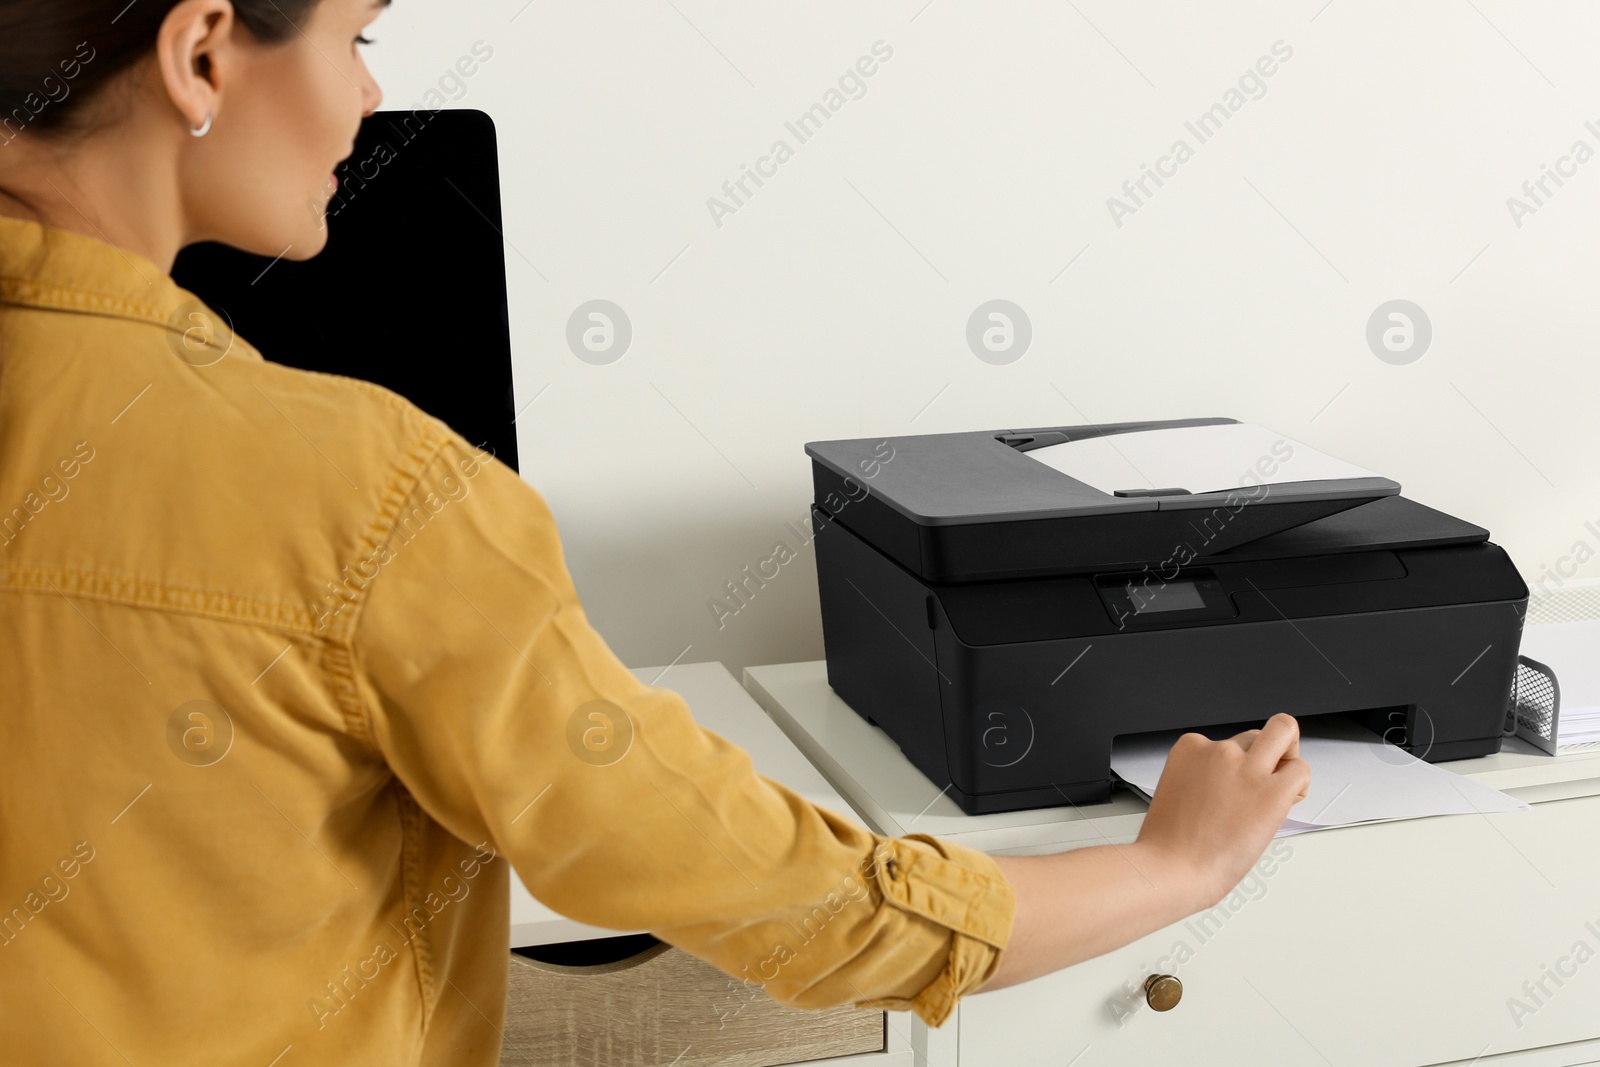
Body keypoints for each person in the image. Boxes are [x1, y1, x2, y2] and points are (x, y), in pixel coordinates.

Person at [0, 2, 1312, 1063]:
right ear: (202, 51)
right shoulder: (357, 492)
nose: (371, 98)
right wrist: (1173, 870)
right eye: (358, 37)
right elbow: (780, 897)